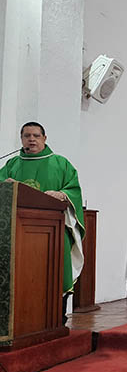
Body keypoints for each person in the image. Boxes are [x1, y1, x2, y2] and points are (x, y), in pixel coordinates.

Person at [0, 121, 85, 303]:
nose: (31, 140)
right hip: (17, 231)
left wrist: (62, 194)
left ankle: (57, 316)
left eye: (36, 136)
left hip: (53, 230)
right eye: (27, 136)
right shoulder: (12, 164)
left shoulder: (60, 163)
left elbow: (74, 190)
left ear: (44, 138)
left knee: (56, 269)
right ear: (21, 139)